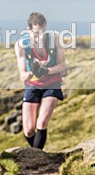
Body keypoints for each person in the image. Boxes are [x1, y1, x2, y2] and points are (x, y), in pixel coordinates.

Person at [14, 12, 67, 150]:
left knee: (42, 122)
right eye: (37, 34)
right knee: (29, 130)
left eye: (43, 32)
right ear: (29, 30)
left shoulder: (54, 39)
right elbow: (23, 76)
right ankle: (38, 154)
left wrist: (46, 71)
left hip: (52, 84)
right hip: (32, 85)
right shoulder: (21, 45)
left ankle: (37, 158)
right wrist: (32, 72)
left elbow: (62, 65)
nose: (40, 37)